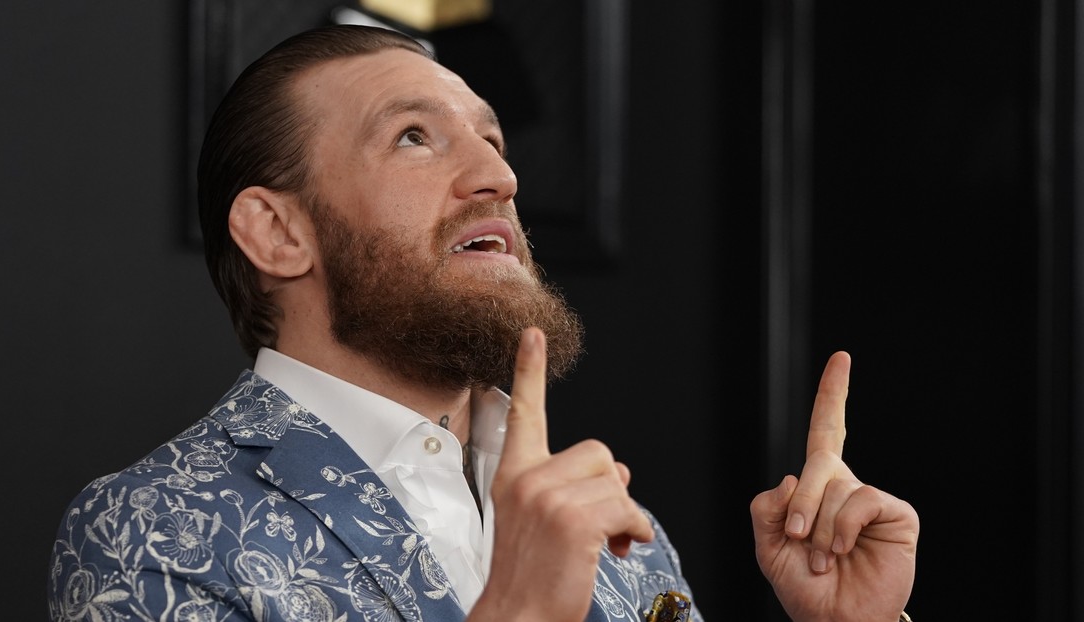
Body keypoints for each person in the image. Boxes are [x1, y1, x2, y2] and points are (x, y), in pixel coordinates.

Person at [47, 24, 918, 622]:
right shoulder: (148, 531)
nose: (498, 176)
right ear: (279, 232)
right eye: (414, 137)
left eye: (493, 140)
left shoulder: (616, 528)